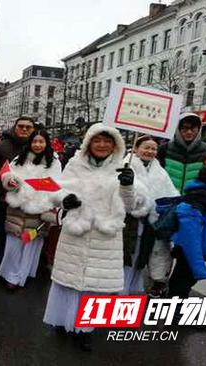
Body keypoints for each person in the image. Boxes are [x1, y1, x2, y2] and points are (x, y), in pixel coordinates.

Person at [43, 123, 150, 351]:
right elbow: (57, 191)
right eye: (97, 140)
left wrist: (128, 185)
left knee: (95, 286)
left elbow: (131, 206)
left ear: (115, 144)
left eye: (107, 141)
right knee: (68, 283)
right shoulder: (74, 164)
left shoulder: (124, 167)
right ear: (89, 142)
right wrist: (65, 200)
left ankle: (85, 331)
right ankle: (63, 320)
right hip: (76, 232)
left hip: (106, 236)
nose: (102, 145)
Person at [0, 129, 62, 288]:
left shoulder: (54, 162)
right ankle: (10, 275)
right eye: (34, 141)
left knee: (30, 244)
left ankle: (21, 276)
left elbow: (56, 185)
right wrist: (10, 182)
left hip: (38, 210)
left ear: (46, 143)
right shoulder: (20, 159)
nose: (37, 145)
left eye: (41, 141)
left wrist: (33, 189)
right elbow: (7, 177)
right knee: (13, 243)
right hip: (17, 209)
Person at [122, 135, 179, 297]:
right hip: (127, 223)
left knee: (140, 259)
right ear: (135, 148)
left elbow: (170, 193)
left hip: (150, 224)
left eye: (154, 148)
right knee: (124, 260)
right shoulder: (124, 166)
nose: (150, 151)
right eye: (146, 147)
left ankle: (130, 293)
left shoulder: (160, 172)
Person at [168, 165, 206, 303]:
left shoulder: (205, 196)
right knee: (182, 282)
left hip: (190, 248)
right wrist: (197, 265)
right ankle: (174, 314)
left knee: (183, 280)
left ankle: (175, 311)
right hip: (189, 249)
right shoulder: (200, 200)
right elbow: (190, 236)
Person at [0, 117, 36, 268]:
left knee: (21, 237)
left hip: (27, 202)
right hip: (1, 202)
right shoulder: (1, 147)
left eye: (28, 127)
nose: (24, 129)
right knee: (0, 236)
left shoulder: (37, 148)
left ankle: (17, 269)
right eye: (21, 126)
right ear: (15, 127)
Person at [157, 113, 206, 194]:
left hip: (195, 200)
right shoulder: (164, 149)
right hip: (168, 198)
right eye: (185, 128)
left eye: (193, 129)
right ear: (178, 129)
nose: (189, 132)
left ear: (199, 129)